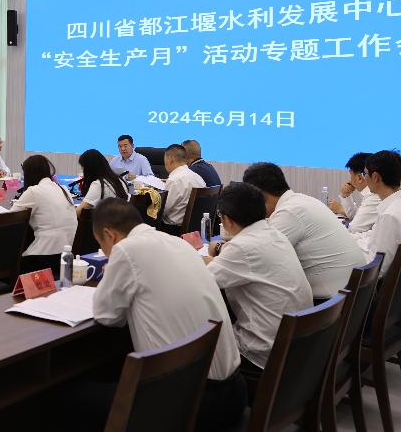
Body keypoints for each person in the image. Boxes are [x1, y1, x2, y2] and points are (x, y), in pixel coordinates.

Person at [93, 198, 246, 430]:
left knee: (70, 397)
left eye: (102, 246)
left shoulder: (126, 249)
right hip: (233, 393)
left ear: (109, 234)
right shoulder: (177, 243)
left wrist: (111, 274)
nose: (106, 254)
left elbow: (106, 315)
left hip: (189, 404)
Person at [205, 182, 313, 375]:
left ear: (227, 220)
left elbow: (202, 282)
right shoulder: (275, 234)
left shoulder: (241, 248)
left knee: (194, 342)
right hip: (296, 346)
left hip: (262, 353)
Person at [242, 162, 366, 302]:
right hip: (351, 296)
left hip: (330, 303)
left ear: (261, 195)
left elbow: (258, 257)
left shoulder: (289, 212)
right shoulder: (302, 200)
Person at [352, 150, 401, 274]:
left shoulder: (390, 216)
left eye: (365, 174)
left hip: (372, 281)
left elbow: (379, 270)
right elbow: (373, 235)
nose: (364, 178)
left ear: (375, 177)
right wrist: (348, 239)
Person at [11, 155, 77, 277]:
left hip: (42, 260)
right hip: (66, 258)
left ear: (29, 174)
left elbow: (10, 219)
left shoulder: (34, 191)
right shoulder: (63, 189)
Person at [159, 144, 206, 231]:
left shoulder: (174, 180)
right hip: (196, 230)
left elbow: (163, 211)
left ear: (170, 160)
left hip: (173, 230)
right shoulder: (198, 178)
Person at [75, 149, 129, 215]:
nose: (82, 170)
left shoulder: (99, 185)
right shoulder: (119, 179)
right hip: (122, 218)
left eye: (83, 167)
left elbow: (79, 212)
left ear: (89, 169)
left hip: (108, 220)